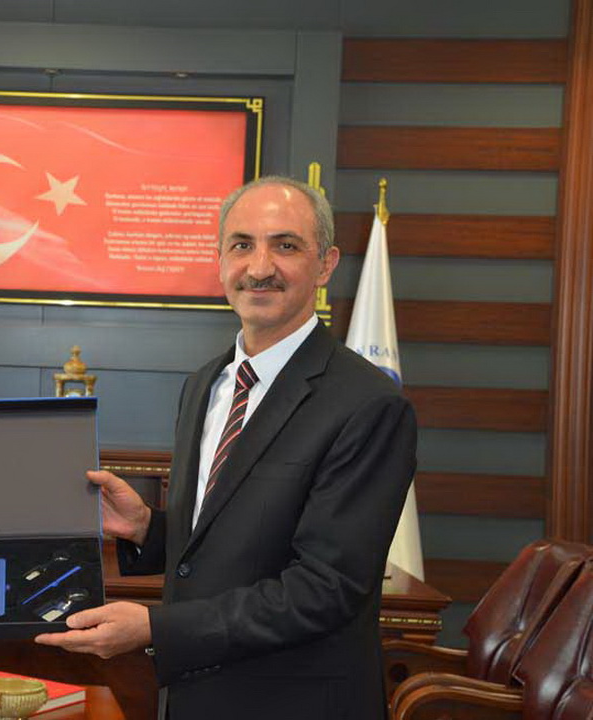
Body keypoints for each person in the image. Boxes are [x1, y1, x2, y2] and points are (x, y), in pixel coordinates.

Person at [36, 177, 417, 719]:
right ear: (219, 262)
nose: (259, 267)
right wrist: (147, 528)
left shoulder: (369, 403)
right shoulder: (206, 385)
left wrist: (158, 628)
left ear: (325, 264)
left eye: (286, 245)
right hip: (193, 698)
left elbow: (326, 588)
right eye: (242, 245)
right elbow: (231, 542)